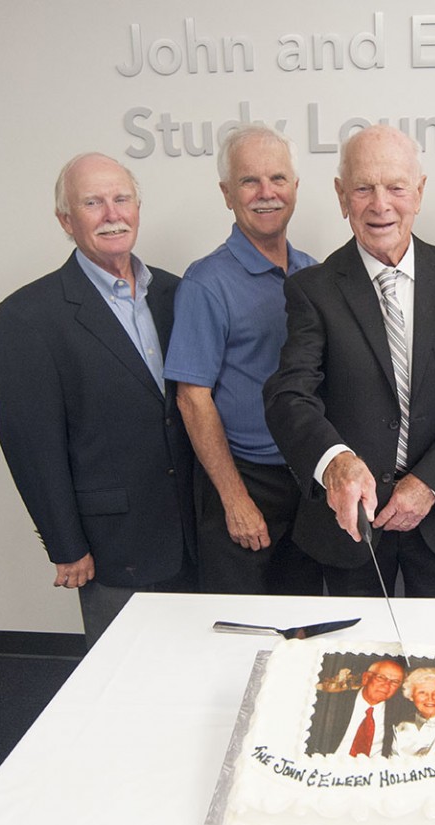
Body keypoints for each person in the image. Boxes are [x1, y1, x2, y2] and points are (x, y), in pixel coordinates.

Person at [263, 125, 435, 597]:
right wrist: (335, 462)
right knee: (356, 664)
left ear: (418, 192)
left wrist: (427, 483)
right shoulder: (311, 289)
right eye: (363, 188)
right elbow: (288, 395)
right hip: (351, 522)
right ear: (341, 196)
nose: (380, 205)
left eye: (396, 186)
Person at [0, 153, 196, 647]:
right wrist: (66, 546)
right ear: (67, 220)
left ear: (137, 209)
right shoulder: (30, 316)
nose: (112, 213)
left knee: (197, 665)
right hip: (112, 545)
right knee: (123, 683)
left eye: (121, 198)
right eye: (92, 202)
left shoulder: (176, 293)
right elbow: (30, 444)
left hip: (195, 530)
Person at [164, 125, 322, 595]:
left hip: (306, 479)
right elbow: (193, 399)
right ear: (227, 193)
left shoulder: (313, 272)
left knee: (303, 623)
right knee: (240, 628)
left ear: (295, 187)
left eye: (278, 178)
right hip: (243, 480)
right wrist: (234, 500)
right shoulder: (205, 282)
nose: (266, 193)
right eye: (249, 181)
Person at [306, 659, 407, 758]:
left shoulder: (400, 713)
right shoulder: (330, 704)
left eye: (395, 682)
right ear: (366, 678)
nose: (386, 685)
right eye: (381, 677)